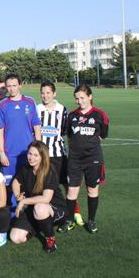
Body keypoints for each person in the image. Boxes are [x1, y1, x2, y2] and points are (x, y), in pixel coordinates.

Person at [58, 85, 109, 234]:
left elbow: (103, 135)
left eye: (82, 98)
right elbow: (67, 133)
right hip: (75, 160)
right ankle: (68, 220)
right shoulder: (72, 116)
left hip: (93, 159)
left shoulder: (100, 115)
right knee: (72, 191)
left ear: (90, 97)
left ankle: (91, 221)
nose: (79, 101)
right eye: (77, 98)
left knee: (92, 190)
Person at [37, 81, 83, 226]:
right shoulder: (37, 109)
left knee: (67, 184)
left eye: (48, 93)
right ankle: (54, 212)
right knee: (47, 186)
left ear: (54, 93)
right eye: (43, 93)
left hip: (58, 154)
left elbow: (65, 132)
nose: (45, 96)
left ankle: (75, 211)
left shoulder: (62, 109)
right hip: (42, 156)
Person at [10, 141, 66, 253]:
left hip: (54, 208)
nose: (31, 158)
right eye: (30, 154)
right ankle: (39, 226)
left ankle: (50, 239)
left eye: (36, 155)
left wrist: (23, 202)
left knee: (39, 208)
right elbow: (16, 182)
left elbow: (46, 199)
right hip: (33, 207)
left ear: (42, 156)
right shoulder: (26, 168)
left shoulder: (49, 171)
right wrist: (17, 195)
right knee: (15, 238)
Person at [0, 73, 41, 186]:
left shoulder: (30, 102)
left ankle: (27, 204)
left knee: (29, 184)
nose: (11, 89)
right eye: (9, 86)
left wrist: (38, 150)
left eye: (14, 85)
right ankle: (12, 204)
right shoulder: (2, 104)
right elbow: (0, 130)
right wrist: (1, 153)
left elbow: (36, 127)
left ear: (20, 85)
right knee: (10, 185)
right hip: (9, 153)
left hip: (28, 152)